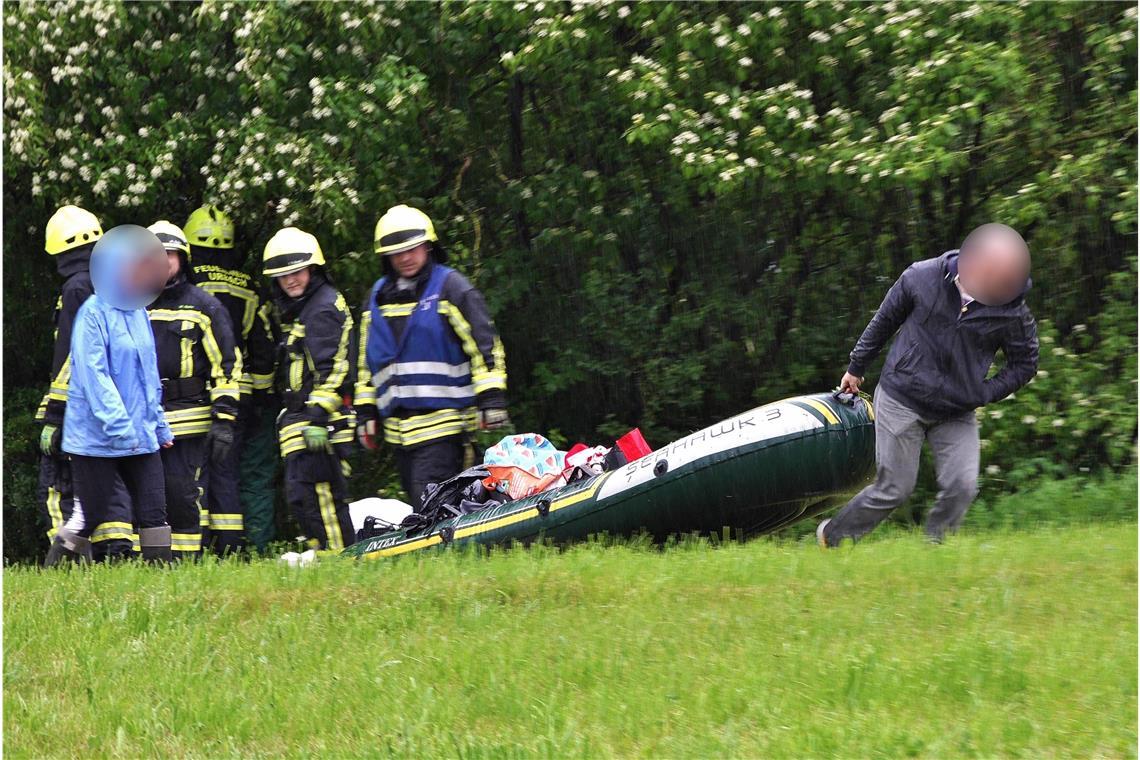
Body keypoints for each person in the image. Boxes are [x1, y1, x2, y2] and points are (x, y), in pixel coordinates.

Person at [818, 223, 1039, 547]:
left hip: (956, 409)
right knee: (896, 487)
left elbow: (1026, 363)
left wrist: (985, 392)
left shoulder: (1012, 310)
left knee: (962, 485)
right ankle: (833, 537)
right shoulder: (921, 277)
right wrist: (856, 367)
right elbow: (884, 321)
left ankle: (934, 549)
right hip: (902, 397)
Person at [357, 204, 511, 510]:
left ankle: (450, 553)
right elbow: (365, 361)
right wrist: (365, 412)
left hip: (446, 424)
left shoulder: (451, 288)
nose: (405, 257)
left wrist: (491, 398)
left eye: (412, 248)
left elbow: (485, 345)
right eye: (396, 251)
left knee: (433, 503)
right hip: (399, 432)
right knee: (424, 503)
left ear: (428, 245)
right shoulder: (376, 298)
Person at [46, 225, 174, 566]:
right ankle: (54, 568)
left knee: (154, 511)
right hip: (96, 438)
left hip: (140, 435)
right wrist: (120, 428)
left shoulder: (139, 312)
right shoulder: (92, 313)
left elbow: (148, 376)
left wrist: (158, 426)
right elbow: (93, 378)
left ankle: (162, 581)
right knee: (91, 514)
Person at [36, 205, 135, 561]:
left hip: (81, 405)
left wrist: (55, 413)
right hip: (117, 404)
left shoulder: (77, 288)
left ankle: (66, 558)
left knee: (60, 479)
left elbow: (74, 356)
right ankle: (118, 550)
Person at [184, 205, 278, 553]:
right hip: (243, 398)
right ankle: (235, 547)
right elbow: (263, 347)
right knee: (231, 473)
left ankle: (204, 545)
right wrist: (262, 395)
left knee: (200, 473)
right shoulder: (248, 287)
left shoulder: (188, 285)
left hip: (197, 396)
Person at [146, 221, 242, 559]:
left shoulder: (204, 305)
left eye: (169, 255)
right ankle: (154, 562)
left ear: (183, 259)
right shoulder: (130, 305)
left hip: (189, 420)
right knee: (147, 495)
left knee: (183, 493)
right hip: (141, 422)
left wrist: (224, 418)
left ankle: (186, 561)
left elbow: (226, 365)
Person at [262, 227, 355, 551]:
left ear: (313, 268)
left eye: (297, 271)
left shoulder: (321, 308)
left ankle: (340, 560)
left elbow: (336, 368)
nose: (290, 280)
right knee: (303, 497)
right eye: (283, 274)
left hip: (321, 423)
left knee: (322, 496)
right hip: (306, 421)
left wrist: (317, 417)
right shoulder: (306, 307)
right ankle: (328, 556)